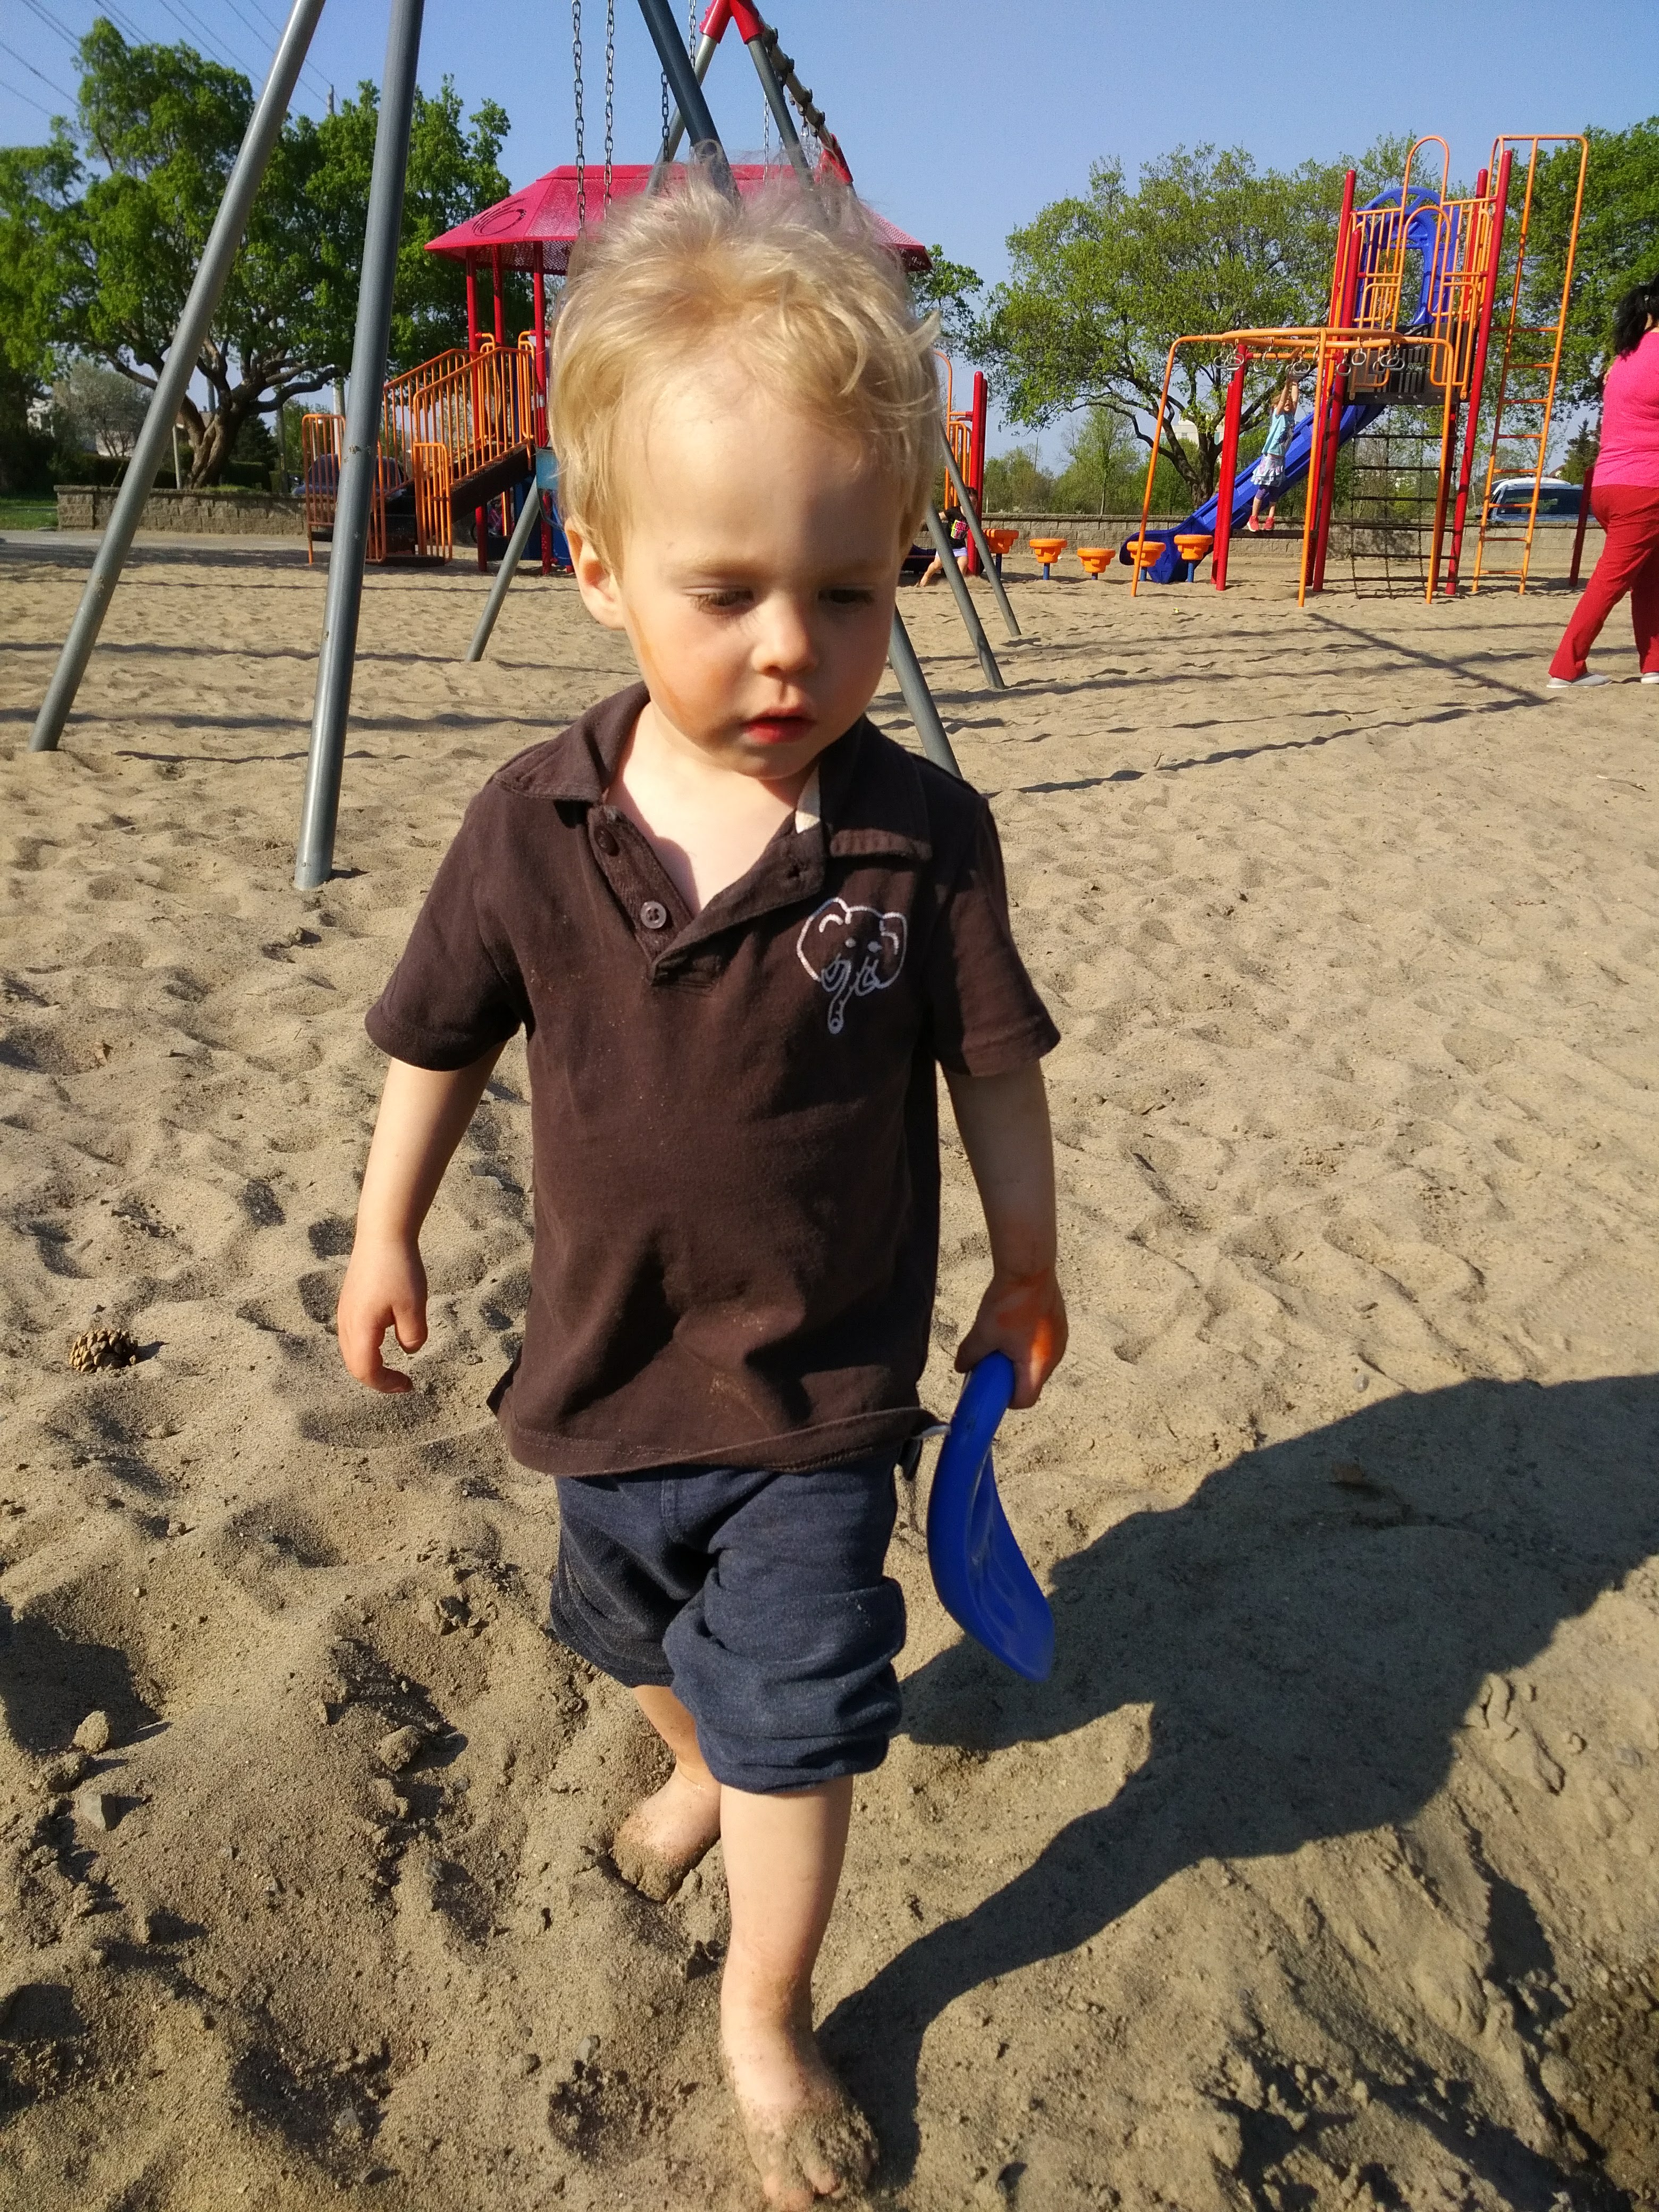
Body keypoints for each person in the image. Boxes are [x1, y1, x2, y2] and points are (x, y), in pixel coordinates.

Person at [335, 173, 1066, 2210]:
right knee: (627, 1632)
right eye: (728, 589)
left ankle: (765, 2005)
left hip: (818, 1394)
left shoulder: (920, 837)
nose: (790, 649)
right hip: (603, 1367)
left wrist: (1026, 1260)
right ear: (599, 564)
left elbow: (994, 1071)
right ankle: (691, 1766)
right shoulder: (533, 820)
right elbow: (437, 1037)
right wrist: (386, 1227)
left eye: (849, 591)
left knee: (804, 1722)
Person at [1548, 279, 1659, 688]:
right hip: (1646, 487)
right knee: (1609, 582)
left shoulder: (1623, 358)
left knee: (1649, 577)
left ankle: (1654, 665)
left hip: (1610, 484)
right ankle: (1566, 667)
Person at [1247, 373, 1302, 532]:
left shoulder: (1290, 417)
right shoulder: (1279, 416)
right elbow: (1284, 401)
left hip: (1281, 459)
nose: (1288, 403)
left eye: (1289, 403)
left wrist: (1295, 383)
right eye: (1285, 402)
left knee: (1275, 491)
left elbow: (1295, 399)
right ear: (1276, 406)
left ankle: (1270, 519)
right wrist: (1287, 385)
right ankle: (1253, 518)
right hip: (1270, 457)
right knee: (1263, 489)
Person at [917, 504, 969, 586]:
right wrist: (924, 522)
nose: (973, 505)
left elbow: (975, 531)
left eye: (975, 503)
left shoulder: (973, 517)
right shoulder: (954, 511)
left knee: (964, 564)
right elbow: (940, 516)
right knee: (937, 565)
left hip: (960, 547)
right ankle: (926, 577)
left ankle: (957, 587)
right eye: (971, 502)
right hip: (946, 545)